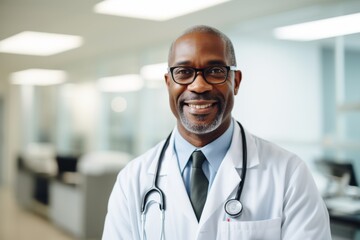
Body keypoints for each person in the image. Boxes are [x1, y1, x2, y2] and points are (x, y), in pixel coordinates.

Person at [102, 25, 332, 240]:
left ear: (236, 81)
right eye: (183, 72)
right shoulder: (133, 179)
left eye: (215, 71)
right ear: (168, 83)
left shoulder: (289, 174)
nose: (199, 86)